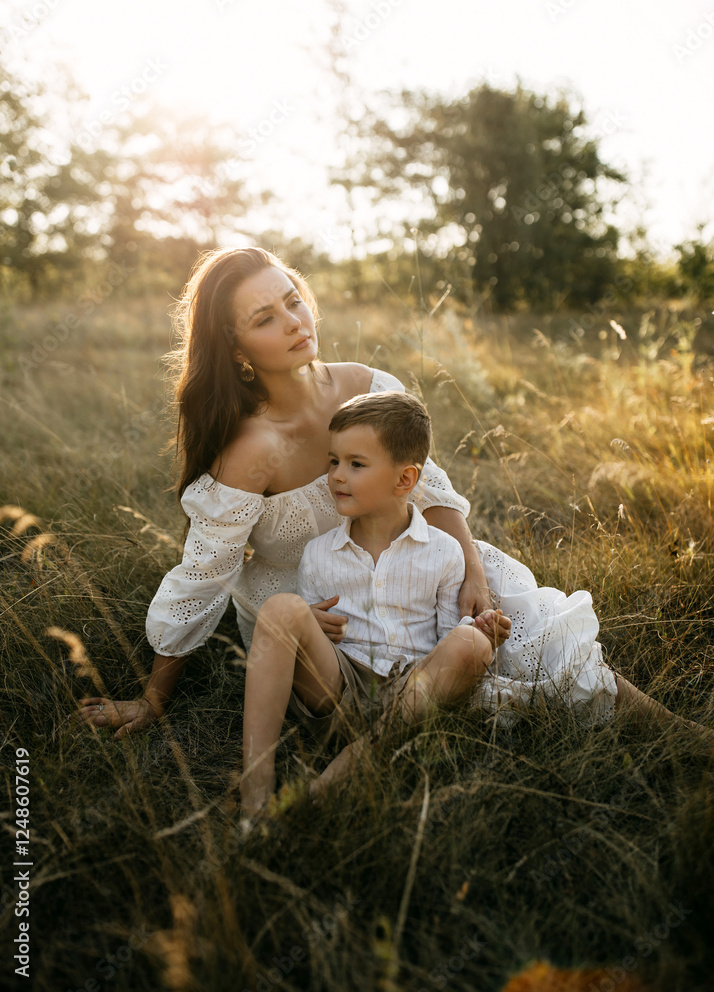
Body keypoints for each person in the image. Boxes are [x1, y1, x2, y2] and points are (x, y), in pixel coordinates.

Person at [75, 246, 711, 758]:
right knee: (469, 691)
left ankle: (687, 741)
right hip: (319, 614)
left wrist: (472, 565)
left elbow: (427, 486)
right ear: (236, 350)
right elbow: (202, 578)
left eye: (293, 300)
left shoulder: (367, 387)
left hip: (415, 554)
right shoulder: (250, 450)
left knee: (531, 631)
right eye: (265, 318)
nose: (294, 321)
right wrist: (153, 700)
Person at [239, 390, 512, 816]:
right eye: (333, 461)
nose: (336, 476)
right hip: (342, 690)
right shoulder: (319, 553)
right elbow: (317, 638)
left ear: (404, 479)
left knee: (472, 645)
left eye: (356, 464)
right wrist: (302, 622)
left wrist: (481, 633)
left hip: (413, 692)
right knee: (280, 607)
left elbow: (446, 642)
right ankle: (255, 790)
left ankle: (357, 762)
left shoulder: (442, 551)